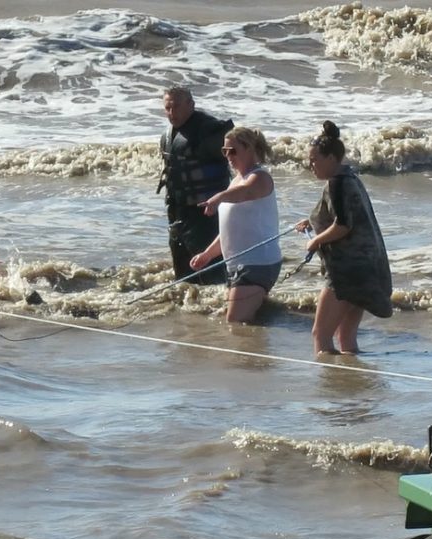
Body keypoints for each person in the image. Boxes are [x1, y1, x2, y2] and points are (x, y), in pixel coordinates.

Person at [295, 121, 393, 355]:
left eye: (314, 159)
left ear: (331, 158)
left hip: (347, 271)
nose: (311, 165)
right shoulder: (350, 178)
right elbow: (349, 216)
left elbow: (343, 226)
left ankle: (332, 386)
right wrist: (312, 223)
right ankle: (352, 383)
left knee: (321, 334)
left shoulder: (337, 183)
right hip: (366, 268)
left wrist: (316, 240)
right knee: (345, 336)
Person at [189, 127, 282, 323]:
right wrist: (207, 254)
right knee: (247, 321)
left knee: (235, 323)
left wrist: (218, 198)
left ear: (249, 149)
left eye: (233, 151)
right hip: (238, 265)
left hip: (257, 263)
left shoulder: (260, 177)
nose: (228, 156)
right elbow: (229, 230)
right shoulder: (236, 181)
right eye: (225, 151)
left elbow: (245, 193)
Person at [158, 87, 234, 285]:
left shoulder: (211, 130)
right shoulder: (167, 136)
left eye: (176, 107)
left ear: (191, 105)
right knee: (183, 277)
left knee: (212, 274)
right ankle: (187, 311)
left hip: (207, 215)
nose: (172, 113)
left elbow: (241, 156)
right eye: (167, 107)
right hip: (178, 213)